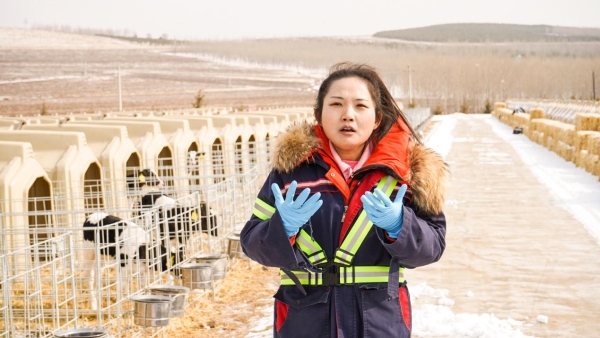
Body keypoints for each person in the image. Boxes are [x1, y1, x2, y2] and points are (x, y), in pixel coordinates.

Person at [241, 62, 448, 338]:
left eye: (360, 106)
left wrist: (400, 226)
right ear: (319, 114)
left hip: (378, 324)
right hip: (304, 323)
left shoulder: (408, 173)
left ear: (377, 119)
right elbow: (252, 243)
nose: (348, 115)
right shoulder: (290, 174)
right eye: (336, 104)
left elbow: (432, 247)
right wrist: (282, 229)